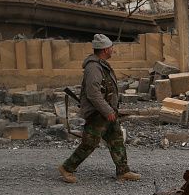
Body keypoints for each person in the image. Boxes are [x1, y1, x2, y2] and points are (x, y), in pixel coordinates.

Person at [58, 34, 141, 183]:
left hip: (107, 111)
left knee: (116, 139)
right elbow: (93, 93)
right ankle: (67, 168)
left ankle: (123, 171)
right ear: (104, 49)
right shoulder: (93, 68)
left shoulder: (101, 64)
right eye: (111, 48)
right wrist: (107, 111)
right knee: (89, 143)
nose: (113, 50)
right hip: (98, 114)